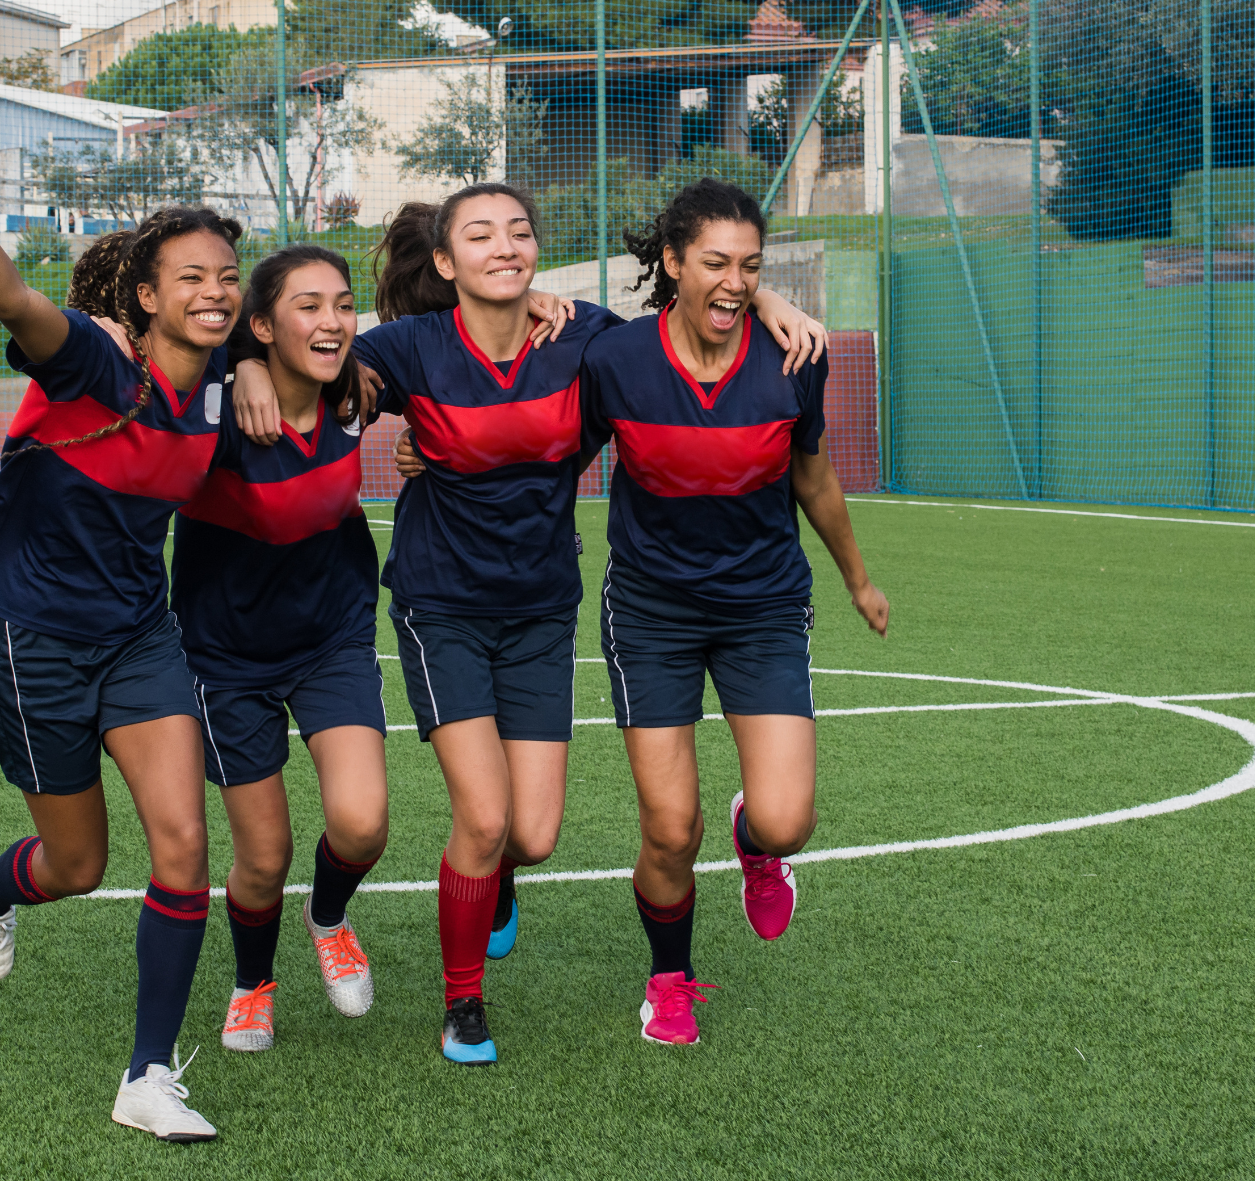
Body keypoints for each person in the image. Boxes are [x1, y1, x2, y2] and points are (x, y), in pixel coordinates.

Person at [242, 181, 826, 1066]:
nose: (505, 246)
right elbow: (307, 350)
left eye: (520, 230)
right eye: (479, 235)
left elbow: (693, 306)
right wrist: (249, 366)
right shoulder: (408, 347)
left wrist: (771, 295)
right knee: (483, 819)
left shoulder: (581, 332)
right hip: (442, 608)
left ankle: (498, 881)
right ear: (445, 262)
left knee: (533, 834)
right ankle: (463, 1006)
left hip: (544, 608)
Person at [0, 128, 233, 1142]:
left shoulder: (232, 375)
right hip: (33, 637)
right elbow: (11, 295)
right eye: (191, 277)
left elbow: (335, 344)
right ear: (146, 294)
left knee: (183, 844)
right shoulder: (92, 361)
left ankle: (146, 1075)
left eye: (228, 276)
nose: (216, 291)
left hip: (141, 635)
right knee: (78, 864)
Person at [578, 178, 889, 1047]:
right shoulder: (618, 362)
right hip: (651, 611)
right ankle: (668, 979)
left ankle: (757, 847)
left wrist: (858, 579)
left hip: (762, 606)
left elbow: (815, 478)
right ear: (672, 263)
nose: (734, 281)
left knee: (789, 819)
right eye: (714, 261)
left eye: (752, 266)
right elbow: (545, 451)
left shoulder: (795, 358)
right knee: (671, 828)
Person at [172, 244, 388, 1053]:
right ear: (263, 323)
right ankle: (252, 982)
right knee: (262, 858)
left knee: (362, 825)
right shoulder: (217, 411)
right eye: (307, 305)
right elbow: (157, 344)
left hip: (329, 639)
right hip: (225, 659)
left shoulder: (355, 392)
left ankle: (327, 916)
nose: (331, 320)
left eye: (341, 303)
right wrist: (240, 366)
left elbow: (450, 327)